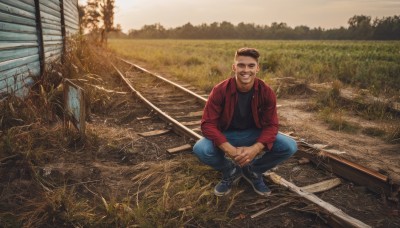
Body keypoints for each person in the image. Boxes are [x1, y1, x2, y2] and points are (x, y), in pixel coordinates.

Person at [193, 47, 297, 197]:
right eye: (241, 65)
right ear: (234, 67)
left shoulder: (266, 92)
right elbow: (207, 124)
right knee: (201, 149)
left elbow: (271, 125)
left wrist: (255, 149)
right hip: (228, 135)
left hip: (254, 134)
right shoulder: (220, 90)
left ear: (257, 68)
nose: (245, 70)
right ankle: (231, 170)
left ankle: (253, 170)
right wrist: (230, 150)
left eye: (251, 66)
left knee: (289, 146)